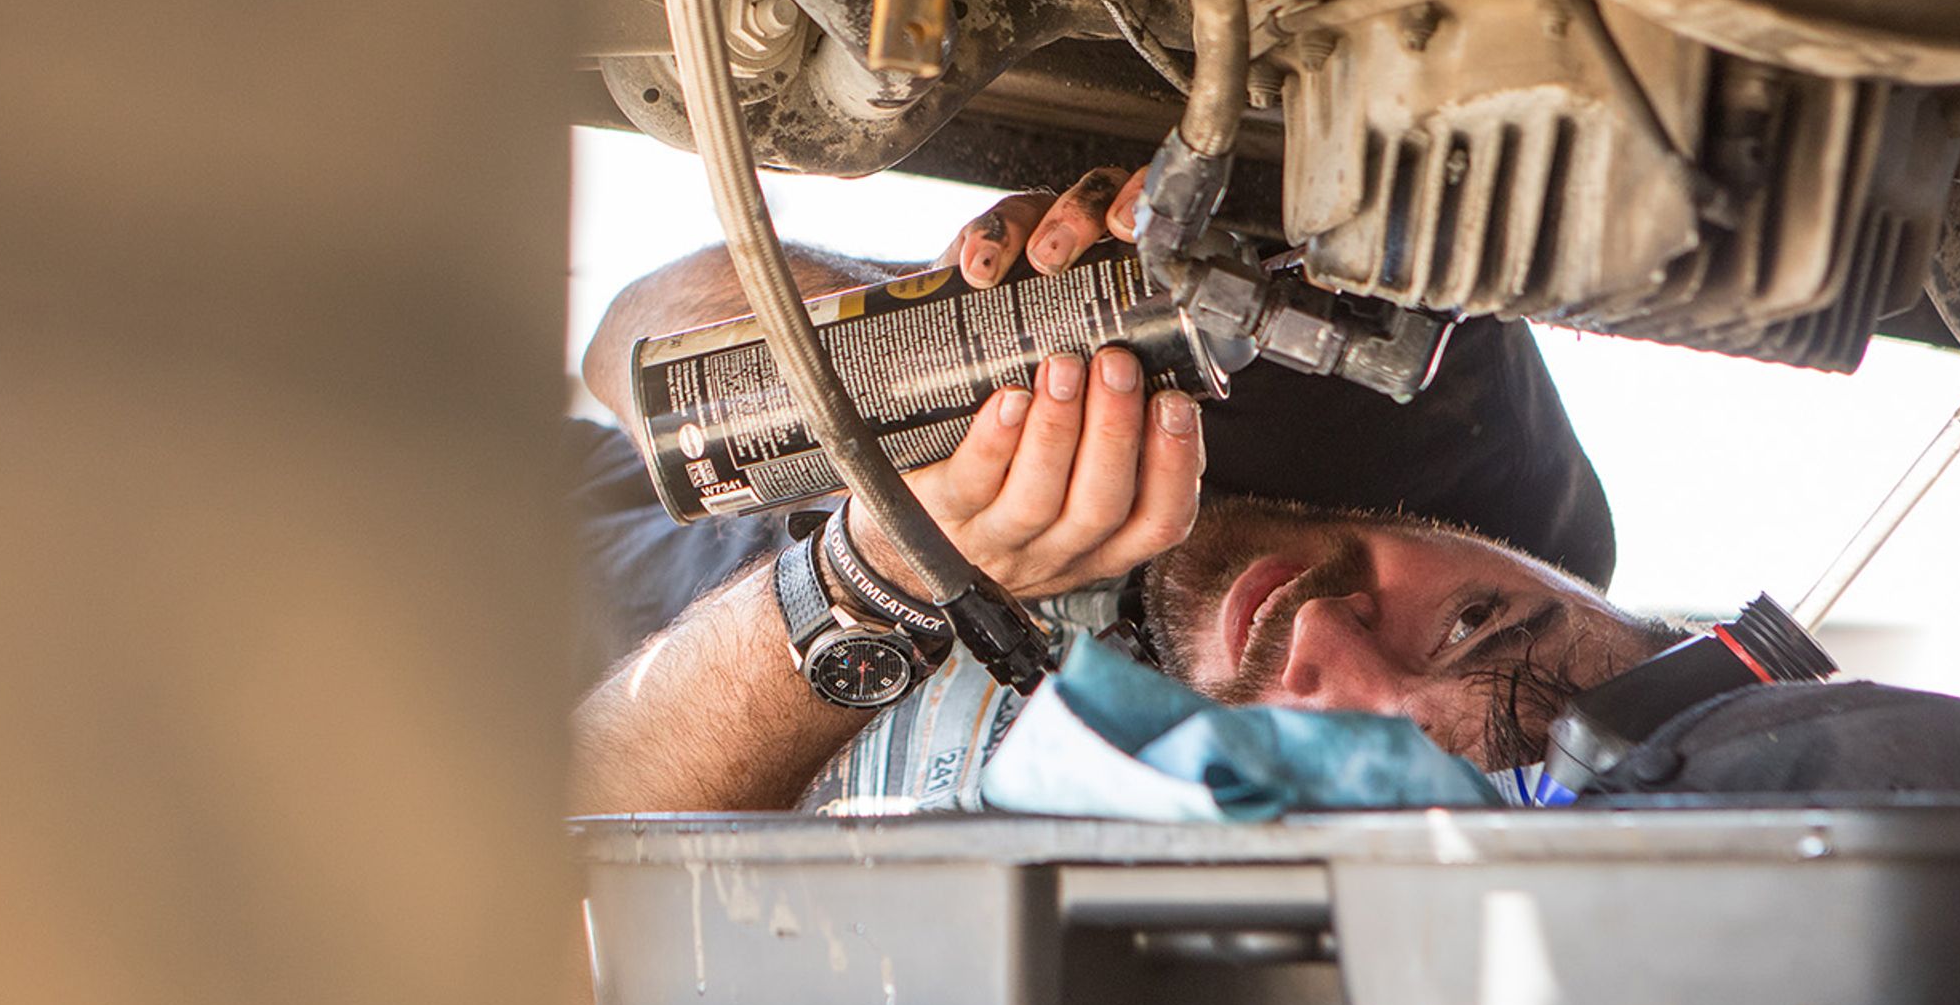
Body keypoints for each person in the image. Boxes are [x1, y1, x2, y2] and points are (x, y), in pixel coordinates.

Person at [569, 167, 1671, 815]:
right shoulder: (1437, 423)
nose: (1325, 628)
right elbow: (625, 337)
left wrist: (881, 577)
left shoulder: (1091, 906)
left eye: (1368, 761)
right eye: (1470, 620)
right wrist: (924, 339)